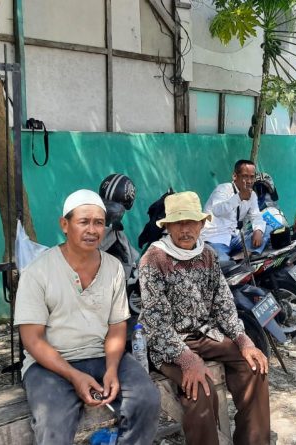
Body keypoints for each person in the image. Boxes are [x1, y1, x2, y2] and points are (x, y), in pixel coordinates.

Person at [14, 189, 161, 445]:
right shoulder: (37, 272)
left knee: (147, 400)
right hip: (49, 364)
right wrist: (74, 375)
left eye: (99, 223)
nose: (92, 230)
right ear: (65, 225)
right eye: (84, 222)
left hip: (102, 356)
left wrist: (112, 369)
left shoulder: (113, 268)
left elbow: (117, 327)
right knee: (53, 423)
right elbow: (32, 340)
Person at [138, 191, 270, 445]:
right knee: (199, 389)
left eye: (191, 222)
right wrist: (188, 360)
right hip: (169, 344)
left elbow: (223, 303)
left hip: (206, 334)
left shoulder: (207, 254)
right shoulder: (153, 259)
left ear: (201, 224)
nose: (185, 229)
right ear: (168, 226)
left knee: (254, 368)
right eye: (178, 223)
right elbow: (157, 323)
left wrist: (242, 339)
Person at [200, 159, 270, 262]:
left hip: (234, 237)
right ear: (235, 176)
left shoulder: (252, 195)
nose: (249, 181)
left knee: (267, 229)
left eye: (252, 177)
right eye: (245, 176)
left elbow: (256, 216)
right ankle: (235, 260)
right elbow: (217, 211)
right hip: (215, 238)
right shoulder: (222, 189)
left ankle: (241, 256)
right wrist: (239, 197)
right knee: (221, 263)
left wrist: (258, 231)